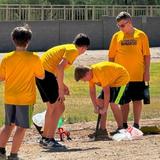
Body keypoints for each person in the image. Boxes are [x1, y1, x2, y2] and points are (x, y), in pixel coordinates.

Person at [36, 33, 90, 149]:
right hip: (46, 75)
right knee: (58, 107)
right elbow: (60, 67)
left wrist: (62, 84)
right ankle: (49, 139)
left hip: (42, 74)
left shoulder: (69, 48)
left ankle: (45, 138)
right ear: (83, 47)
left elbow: (55, 67)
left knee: (52, 107)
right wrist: (60, 89)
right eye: (85, 49)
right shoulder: (73, 51)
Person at [0, 25, 44, 160]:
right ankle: (13, 155)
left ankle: (0, 151)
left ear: (13, 40)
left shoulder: (7, 58)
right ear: (28, 41)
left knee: (8, 125)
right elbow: (41, 76)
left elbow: (1, 77)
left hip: (10, 97)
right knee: (21, 127)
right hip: (25, 99)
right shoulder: (34, 58)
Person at [108, 11, 150, 129]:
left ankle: (136, 124)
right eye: (118, 26)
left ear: (129, 22)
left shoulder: (141, 35)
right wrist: (112, 73)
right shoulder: (116, 36)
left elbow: (146, 55)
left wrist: (146, 72)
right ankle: (124, 124)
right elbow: (111, 56)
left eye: (122, 25)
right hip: (121, 77)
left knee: (137, 100)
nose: (120, 28)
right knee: (123, 101)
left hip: (137, 74)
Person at [74, 61, 130, 137]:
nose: (84, 81)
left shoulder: (100, 72)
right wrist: (95, 106)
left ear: (87, 73)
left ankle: (121, 128)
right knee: (99, 101)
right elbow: (92, 91)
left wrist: (105, 108)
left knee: (113, 103)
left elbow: (107, 92)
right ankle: (102, 130)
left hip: (121, 79)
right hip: (111, 81)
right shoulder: (91, 76)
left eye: (83, 79)